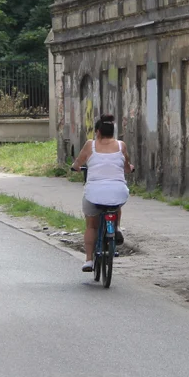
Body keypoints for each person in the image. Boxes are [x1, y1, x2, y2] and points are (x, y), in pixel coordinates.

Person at [71, 114, 133, 273]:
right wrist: (130, 168)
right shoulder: (121, 146)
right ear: (112, 132)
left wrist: (76, 167)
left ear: (97, 132)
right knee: (115, 204)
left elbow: (78, 164)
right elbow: (126, 167)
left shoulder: (89, 145)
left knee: (91, 225)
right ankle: (116, 228)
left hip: (94, 193)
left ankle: (89, 260)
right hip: (118, 191)